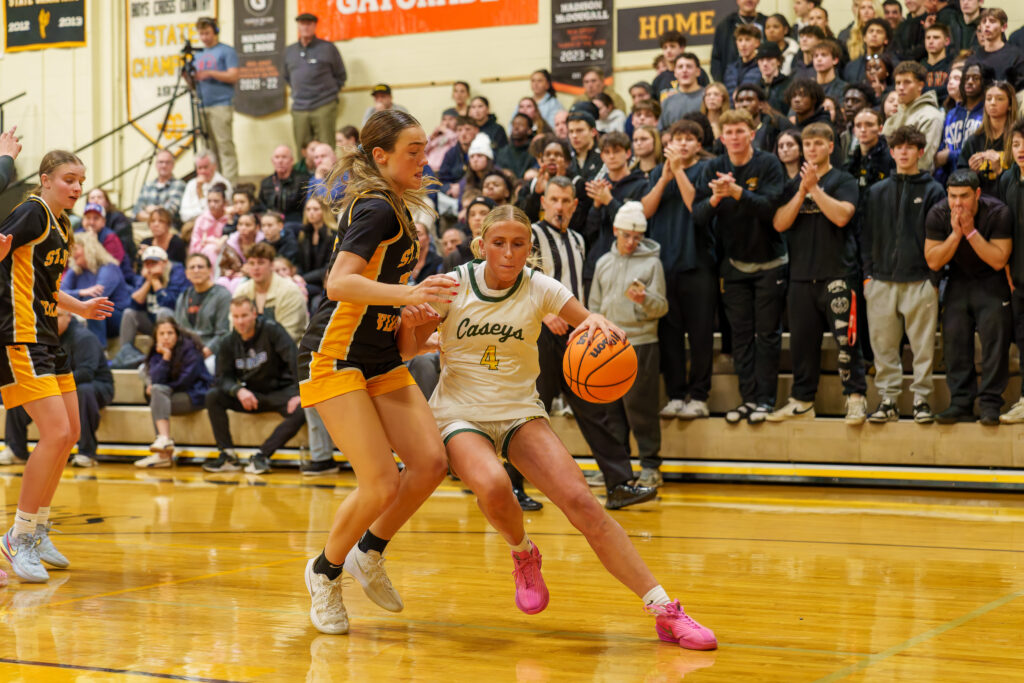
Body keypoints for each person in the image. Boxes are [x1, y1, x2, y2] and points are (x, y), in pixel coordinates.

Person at [416, 204, 716, 649]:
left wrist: (596, 330)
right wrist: (424, 332)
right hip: (460, 414)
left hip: (520, 411)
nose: (509, 252)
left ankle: (663, 610)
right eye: (499, 242)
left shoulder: (540, 286)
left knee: (583, 503)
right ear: (481, 245)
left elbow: (592, 320)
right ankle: (523, 553)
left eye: (519, 244)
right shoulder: (453, 284)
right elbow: (406, 343)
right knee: (496, 486)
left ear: (530, 249)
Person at [296, 110, 458, 635]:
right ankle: (324, 572)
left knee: (432, 461)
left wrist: (416, 327)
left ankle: (370, 550)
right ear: (381, 157)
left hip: (379, 354)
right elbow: (340, 284)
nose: (423, 159)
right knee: (380, 481)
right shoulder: (376, 208)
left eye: (425, 148)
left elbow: (384, 308)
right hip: (336, 353)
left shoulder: (398, 211)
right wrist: (408, 292)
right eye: (413, 150)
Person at [0, 150, 114, 584]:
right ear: (45, 179)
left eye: (81, 180)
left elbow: (42, 283)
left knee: (70, 434)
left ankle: (39, 526)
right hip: (20, 335)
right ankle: (19, 535)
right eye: (69, 179)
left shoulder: (62, 223)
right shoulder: (31, 212)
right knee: (54, 433)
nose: (77, 187)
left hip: (49, 334)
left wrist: (79, 306)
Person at [531, 177, 656, 508]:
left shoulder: (576, 239)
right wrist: (543, 314)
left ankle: (619, 483)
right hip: (538, 333)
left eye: (565, 201)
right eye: (554, 199)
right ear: (543, 202)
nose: (559, 206)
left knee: (595, 409)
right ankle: (512, 484)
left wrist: (584, 323)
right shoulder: (530, 235)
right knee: (530, 410)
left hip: (574, 337)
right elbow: (519, 280)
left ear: (574, 205)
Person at [768, 122, 867, 423]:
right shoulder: (791, 185)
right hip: (800, 275)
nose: (811, 149)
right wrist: (801, 193)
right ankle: (802, 400)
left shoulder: (843, 179)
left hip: (838, 273)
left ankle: (855, 397)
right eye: (807, 144)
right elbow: (779, 224)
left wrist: (814, 189)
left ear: (830, 147)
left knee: (847, 343)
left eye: (817, 144)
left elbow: (841, 216)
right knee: (801, 343)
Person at [693, 109, 787, 424]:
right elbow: (698, 216)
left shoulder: (769, 164)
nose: (734, 137)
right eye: (728, 132)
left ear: (752, 132)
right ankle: (748, 400)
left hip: (770, 262)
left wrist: (737, 192)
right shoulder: (713, 167)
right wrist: (717, 198)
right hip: (733, 266)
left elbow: (770, 210)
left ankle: (766, 401)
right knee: (742, 336)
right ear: (721, 137)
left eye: (740, 131)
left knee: (768, 335)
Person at [861, 126, 945, 423]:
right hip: (881, 281)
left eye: (911, 147)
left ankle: (922, 399)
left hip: (921, 280)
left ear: (921, 152)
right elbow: (865, 236)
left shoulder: (934, 189)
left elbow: (940, 237)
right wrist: (868, 277)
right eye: (899, 147)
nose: (905, 152)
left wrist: (934, 280)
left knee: (923, 347)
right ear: (892, 151)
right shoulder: (876, 191)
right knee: (883, 346)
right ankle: (889, 400)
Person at [642, 120, 717, 426]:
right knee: (669, 335)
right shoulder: (658, 172)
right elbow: (644, 212)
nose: (683, 144)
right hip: (664, 266)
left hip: (698, 263)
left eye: (689, 139)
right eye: (677, 139)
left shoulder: (705, 170)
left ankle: (699, 396)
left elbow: (695, 207)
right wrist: (663, 178)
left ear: (699, 145)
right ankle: (675, 394)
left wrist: (679, 171)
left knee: (700, 335)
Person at [589, 201, 669, 485]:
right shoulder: (603, 263)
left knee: (641, 408)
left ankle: (650, 467)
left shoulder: (652, 263)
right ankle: (617, 468)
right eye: (626, 235)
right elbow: (593, 307)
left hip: (641, 342)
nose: (632, 242)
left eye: (637, 237)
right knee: (611, 411)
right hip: (608, 346)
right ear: (615, 231)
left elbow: (661, 307)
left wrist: (644, 299)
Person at [924, 169, 1012, 425]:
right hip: (959, 280)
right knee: (954, 338)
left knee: (995, 338)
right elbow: (933, 260)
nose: (957, 203)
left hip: (991, 280)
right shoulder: (938, 213)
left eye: (964, 196)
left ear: (977, 194)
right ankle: (961, 403)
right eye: (952, 196)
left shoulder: (998, 212)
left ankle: (990, 405)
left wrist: (971, 232)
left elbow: (998, 259)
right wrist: (955, 234)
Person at [203, 296, 307, 474]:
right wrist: (238, 390)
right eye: (236, 317)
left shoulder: (272, 330)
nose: (240, 321)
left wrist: (299, 393)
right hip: (252, 394)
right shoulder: (228, 341)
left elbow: (294, 360)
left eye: (244, 315)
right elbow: (222, 378)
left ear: (254, 314)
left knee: (304, 408)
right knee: (213, 396)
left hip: (280, 392)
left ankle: (261, 456)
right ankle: (227, 455)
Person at [3, 309, 113, 470]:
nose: (53, 321)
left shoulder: (84, 337)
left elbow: (86, 374)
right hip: (58, 386)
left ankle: (87, 453)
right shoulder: (43, 338)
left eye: (58, 316)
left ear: (69, 317)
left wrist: (51, 384)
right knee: (22, 390)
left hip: (97, 386)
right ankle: (16, 450)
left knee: (83, 391)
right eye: (50, 317)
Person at [135, 317, 214, 468]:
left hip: (195, 394)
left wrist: (162, 387)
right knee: (157, 393)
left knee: (157, 394)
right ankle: (164, 443)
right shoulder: (157, 351)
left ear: (177, 334)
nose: (166, 337)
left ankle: (163, 451)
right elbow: (156, 377)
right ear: (156, 336)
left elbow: (186, 381)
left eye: (170, 333)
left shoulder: (190, 349)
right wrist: (165, 357)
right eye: (162, 333)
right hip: (172, 394)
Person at [582, 132, 647, 283]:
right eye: (607, 152)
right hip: (597, 264)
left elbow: (635, 224)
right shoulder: (598, 184)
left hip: (628, 265)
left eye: (616, 151)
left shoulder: (640, 185)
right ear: (602, 156)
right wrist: (597, 206)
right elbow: (590, 231)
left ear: (628, 153)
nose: (611, 156)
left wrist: (609, 200)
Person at [112, 245, 188, 369]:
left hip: (173, 322)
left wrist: (157, 283)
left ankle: (162, 355)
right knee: (129, 313)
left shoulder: (176, 273)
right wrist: (149, 281)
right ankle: (125, 354)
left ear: (165, 263)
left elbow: (170, 303)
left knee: (163, 312)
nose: (151, 267)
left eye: (154, 263)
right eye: (147, 264)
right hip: (151, 322)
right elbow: (134, 303)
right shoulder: (145, 277)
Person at [284, 12, 347, 151]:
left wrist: (329, 95)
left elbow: (341, 75)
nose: (305, 27)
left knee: (326, 147)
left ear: (314, 26)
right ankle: (303, 173)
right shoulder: (289, 51)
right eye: (302, 23)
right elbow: (286, 76)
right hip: (299, 107)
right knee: (302, 148)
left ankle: (328, 173)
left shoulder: (328, 48)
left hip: (324, 105)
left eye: (309, 24)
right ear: (298, 26)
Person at [61, 231, 132, 346]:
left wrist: (75, 297)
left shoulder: (109, 267)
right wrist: (82, 292)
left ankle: (99, 349)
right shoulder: (75, 270)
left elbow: (97, 298)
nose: (72, 253)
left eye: (76, 249)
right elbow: (58, 294)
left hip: (116, 318)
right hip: (84, 314)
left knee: (95, 308)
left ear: (89, 249)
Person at [191, 16, 240, 184]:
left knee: (224, 145)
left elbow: (234, 75)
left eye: (207, 33)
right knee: (208, 148)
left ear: (215, 32)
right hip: (202, 105)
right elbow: (193, 82)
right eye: (201, 34)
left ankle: (230, 184)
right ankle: (212, 184)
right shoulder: (197, 54)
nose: (204, 37)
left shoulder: (226, 51)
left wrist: (211, 73)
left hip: (221, 104)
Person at [998, 120, 1024, 424]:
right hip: (1017, 277)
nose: (1021, 150)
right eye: (1016, 144)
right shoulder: (1006, 180)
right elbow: (1003, 232)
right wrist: (1006, 268)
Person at [234, 242, 309, 343]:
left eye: (261, 263)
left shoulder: (290, 291)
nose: (256, 268)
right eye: (251, 263)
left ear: (272, 265)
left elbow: (289, 335)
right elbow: (235, 330)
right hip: (251, 351)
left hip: (289, 352)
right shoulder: (242, 291)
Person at [881, 61, 945, 172]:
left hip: (915, 183)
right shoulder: (893, 118)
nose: (901, 87)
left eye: (907, 82)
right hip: (889, 180)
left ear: (920, 85)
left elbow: (923, 161)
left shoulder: (930, 116)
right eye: (898, 83)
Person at [957, 80, 1017, 196]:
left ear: (1010, 105)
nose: (993, 103)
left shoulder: (1017, 139)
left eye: (999, 99)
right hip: (981, 202)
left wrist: (999, 170)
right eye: (989, 99)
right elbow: (959, 178)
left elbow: (1019, 183)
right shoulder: (974, 139)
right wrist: (971, 173)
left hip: (1008, 201)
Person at [174, 253, 231, 371]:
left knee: (207, 367)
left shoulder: (222, 295)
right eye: (192, 267)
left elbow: (223, 333)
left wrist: (205, 352)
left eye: (200, 267)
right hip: (186, 351)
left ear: (210, 270)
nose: (196, 271)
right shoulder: (183, 297)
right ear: (187, 273)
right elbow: (177, 330)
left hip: (211, 352)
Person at [935, 59, 988, 184]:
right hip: (951, 180)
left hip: (979, 180)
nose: (969, 82)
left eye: (975, 78)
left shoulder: (987, 113)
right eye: (966, 78)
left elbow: (982, 152)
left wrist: (950, 155)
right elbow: (940, 153)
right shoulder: (952, 114)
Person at [711, 0, 768, 82]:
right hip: (730, 82)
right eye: (740, 40)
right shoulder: (725, 25)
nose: (749, 0)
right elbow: (716, 60)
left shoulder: (768, 23)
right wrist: (721, 86)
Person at [79, 201, 134, 283]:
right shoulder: (77, 235)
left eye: (96, 218)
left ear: (103, 222)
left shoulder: (111, 238)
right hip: (85, 281)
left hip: (117, 281)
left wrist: (93, 243)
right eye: (88, 218)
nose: (91, 222)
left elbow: (110, 268)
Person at [297, 197, 337, 305]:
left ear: (324, 211)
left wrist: (302, 278)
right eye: (308, 209)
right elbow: (299, 261)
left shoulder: (333, 235)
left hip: (323, 283)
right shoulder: (304, 233)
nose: (311, 213)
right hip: (306, 281)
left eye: (316, 209)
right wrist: (298, 276)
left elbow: (328, 267)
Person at [259, 145, 312, 227]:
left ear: (291, 160)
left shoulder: (303, 180)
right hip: (271, 223)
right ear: (272, 161)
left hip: (295, 223)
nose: (280, 161)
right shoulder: (266, 183)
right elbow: (261, 207)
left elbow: (305, 207)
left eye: (284, 157)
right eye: (277, 157)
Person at [132, 149, 186, 223]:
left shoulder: (179, 185)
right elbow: (136, 211)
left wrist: (149, 211)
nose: (164, 165)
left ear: (173, 165)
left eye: (167, 162)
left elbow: (169, 212)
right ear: (156, 165)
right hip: (145, 229)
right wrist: (157, 215)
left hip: (170, 229)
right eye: (161, 162)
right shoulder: (147, 185)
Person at [179, 150, 232, 226]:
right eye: (199, 168)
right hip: (193, 225)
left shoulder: (223, 184)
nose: (203, 171)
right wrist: (202, 213)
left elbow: (219, 213)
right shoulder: (191, 184)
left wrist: (199, 191)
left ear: (214, 166)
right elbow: (183, 215)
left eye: (206, 167)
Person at [971, 9, 1023, 83]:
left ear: (1004, 27)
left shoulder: (1016, 57)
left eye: (992, 21)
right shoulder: (974, 58)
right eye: (984, 22)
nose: (987, 25)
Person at [658, 53, 706, 131]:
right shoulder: (667, 102)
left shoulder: (708, 96)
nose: (684, 70)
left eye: (689, 66)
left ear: (698, 72)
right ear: (675, 73)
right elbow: (661, 132)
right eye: (680, 67)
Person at [188, 182, 229, 266]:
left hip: (226, 256)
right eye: (209, 201)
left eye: (216, 201)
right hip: (204, 257)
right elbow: (194, 246)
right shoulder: (201, 220)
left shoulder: (230, 219)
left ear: (225, 202)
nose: (212, 205)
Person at [843, 18, 893, 85]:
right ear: (864, 38)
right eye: (871, 31)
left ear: (886, 40)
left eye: (879, 32)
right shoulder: (851, 66)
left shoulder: (893, 64)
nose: (874, 34)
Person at [724, 24, 765, 95]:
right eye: (740, 40)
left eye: (747, 40)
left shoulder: (762, 67)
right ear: (736, 43)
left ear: (757, 43)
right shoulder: (730, 69)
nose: (743, 44)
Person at [495, 113, 536, 179]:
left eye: (520, 125)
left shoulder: (534, 151)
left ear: (529, 130)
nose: (516, 128)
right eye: (514, 125)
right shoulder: (503, 152)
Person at [921, 23, 953, 103]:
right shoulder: (919, 67)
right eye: (928, 38)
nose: (931, 41)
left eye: (936, 38)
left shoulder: (952, 65)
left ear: (947, 41)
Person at [758, 43, 792, 115]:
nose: (765, 64)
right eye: (761, 60)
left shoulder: (789, 85)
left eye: (769, 59)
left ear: (778, 61)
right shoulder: (756, 87)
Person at [567, 112, 602, 181]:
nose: (574, 136)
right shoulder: (567, 157)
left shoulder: (603, 156)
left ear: (593, 132)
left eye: (579, 130)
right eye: (571, 131)